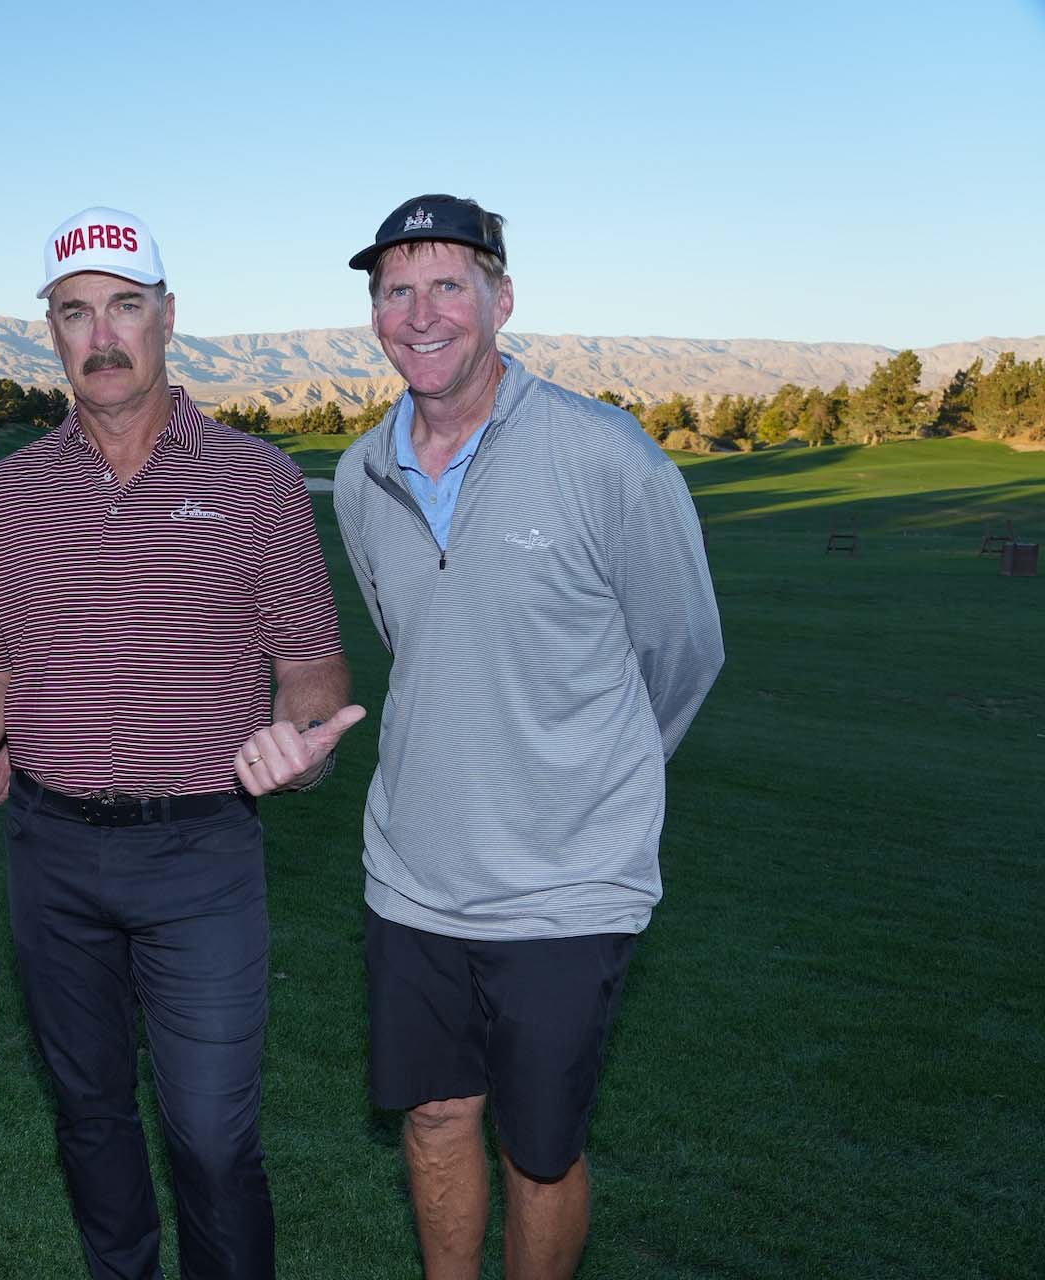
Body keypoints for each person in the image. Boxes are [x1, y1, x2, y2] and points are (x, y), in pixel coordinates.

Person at [0, 207, 363, 1280]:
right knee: (90, 1117)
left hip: (201, 851)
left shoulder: (257, 480)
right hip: (53, 854)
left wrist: (301, 740)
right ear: (51, 331)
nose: (102, 335)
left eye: (125, 307)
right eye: (76, 312)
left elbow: (310, 663)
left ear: (167, 318)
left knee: (214, 1135)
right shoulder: (9, 496)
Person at [332, 194, 726, 1280]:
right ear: (374, 313)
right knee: (432, 1118)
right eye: (396, 290)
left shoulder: (606, 455)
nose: (421, 313)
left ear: (502, 299)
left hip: (566, 884)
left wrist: (592, 777)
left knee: (539, 1150)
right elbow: (418, 642)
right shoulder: (363, 476)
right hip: (412, 874)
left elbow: (684, 651)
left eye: (447, 285)